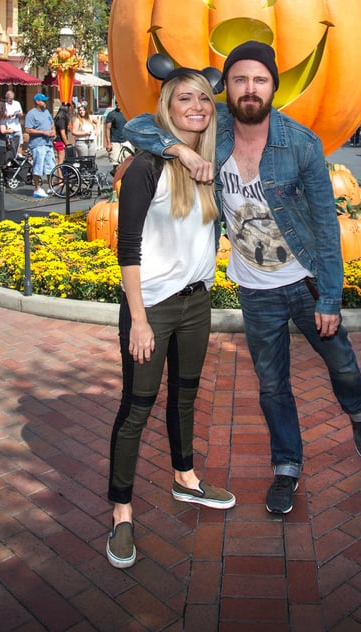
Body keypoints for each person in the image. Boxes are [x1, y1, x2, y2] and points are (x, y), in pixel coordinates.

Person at [124, 40, 361, 517]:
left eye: (259, 79)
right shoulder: (214, 133)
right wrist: (179, 149)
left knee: (341, 363)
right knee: (271, 384)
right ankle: (287, 468)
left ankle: (358, 413)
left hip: (304, 281)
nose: (249, 88)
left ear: (273, 87)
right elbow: (137, 125)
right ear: (230, 89)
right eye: (239, 79)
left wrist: (330, 296)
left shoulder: (301, 142)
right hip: (255, 288)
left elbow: (326, 223)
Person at [106, 67, 235, 569]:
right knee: (136, 407)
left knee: (185, 398)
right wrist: (138, 319)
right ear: (168, 105)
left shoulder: (213, 157)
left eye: (203, 99)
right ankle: (121, 513)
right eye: (185, 99)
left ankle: (185, 479)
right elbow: (128, 246)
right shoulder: (145, 166)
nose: (197, 108)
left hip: (196, 303)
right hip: (152, 308)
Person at [23, 93, 56, 198]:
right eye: (43, 101)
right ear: (37, 102)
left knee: (51, 166)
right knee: (38, 166)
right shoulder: (31, 114)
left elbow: (52, 124)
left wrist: (53, 131)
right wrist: (43, 133)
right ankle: (37, 188)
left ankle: (51, 187)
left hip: (48, 143)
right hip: (38, 144)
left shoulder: (46, 112)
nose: (45, 102)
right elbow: (28, 129)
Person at [4, 90, 24, 159]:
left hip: (17, 126)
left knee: (19, 142)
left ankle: (19, 157)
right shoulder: (4, 104)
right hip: (8, 126)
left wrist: (19, 114)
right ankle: (9, 158)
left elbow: (21, 113)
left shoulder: (17, 103)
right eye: (9, 99)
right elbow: (1, 115)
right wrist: (7, 116)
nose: (11, 100)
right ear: (6, 98)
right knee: (9, 143)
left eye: (12, 98)